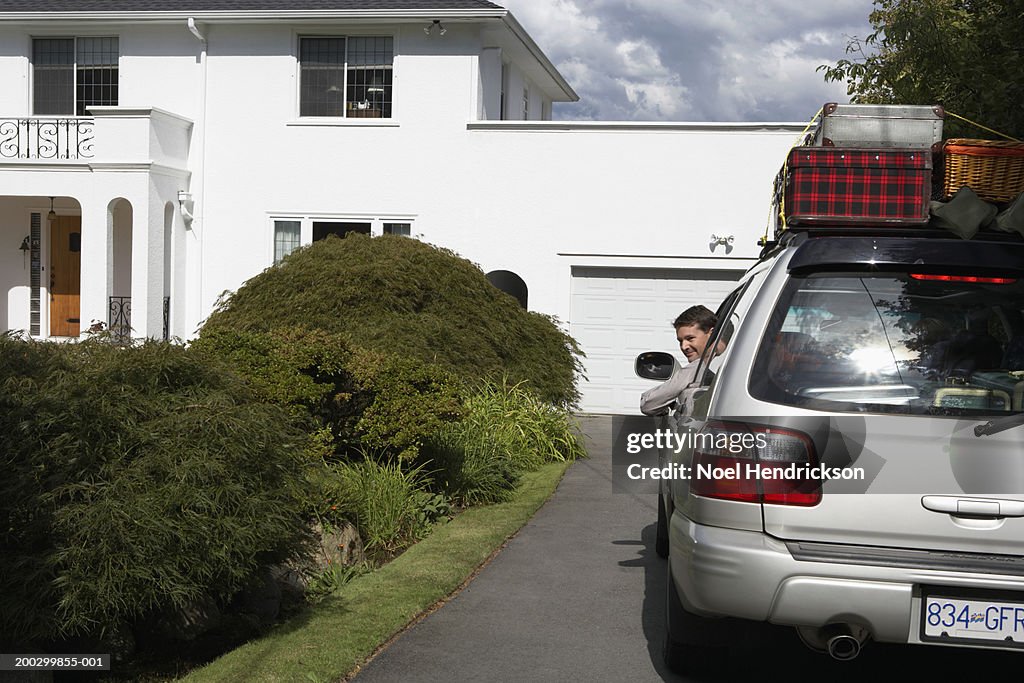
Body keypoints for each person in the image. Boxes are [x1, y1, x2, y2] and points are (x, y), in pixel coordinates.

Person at [640, 305, 717, 416]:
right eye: (680, 341)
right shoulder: (729, 360)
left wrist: (671, 406)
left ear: (711, 333)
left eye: (690, 338)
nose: (684, 346)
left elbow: (648, 405)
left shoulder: (698, 367)